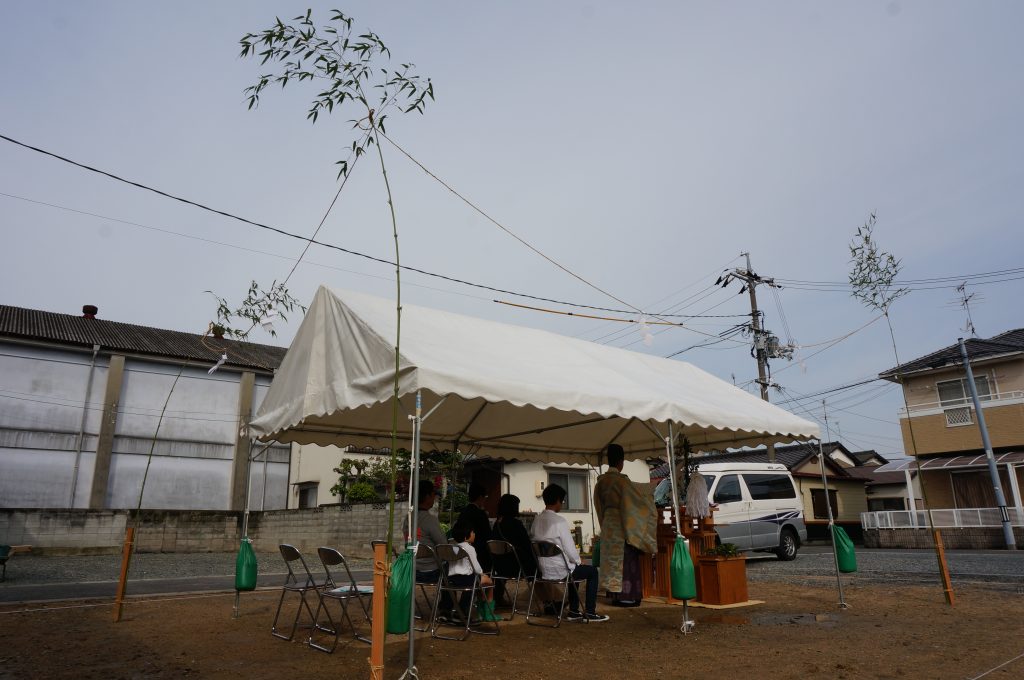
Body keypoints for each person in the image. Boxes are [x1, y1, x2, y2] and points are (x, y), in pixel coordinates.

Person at [529, 483, 609, 622]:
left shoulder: (536, 520)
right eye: (563, 501)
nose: (562, 504)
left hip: (543, 570)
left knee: (573, 567)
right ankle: (589, 612)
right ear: (558, 500)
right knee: (591, 572)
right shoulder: (559, 521)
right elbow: (570, 549)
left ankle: (574, 611)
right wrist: (579, 560)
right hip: (561, 570)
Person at [593, 444, 657, 607]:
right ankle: (626, 596)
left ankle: (614, 595)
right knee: (626, 560)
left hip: (608, 524)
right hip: (621, 525)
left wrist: (604, 523)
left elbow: (598, 507)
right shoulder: (622, 482)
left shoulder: (601, 482)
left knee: (611, 561)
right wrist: (649, 502)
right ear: (621, 461)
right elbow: (633, 505)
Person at [448, 521, 500, 622]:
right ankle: (487, 613)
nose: (474, 534)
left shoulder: (453, 547)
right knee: (489, 582)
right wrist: (483, 574)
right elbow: (477, 569)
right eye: (473, 532)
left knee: (478, 583)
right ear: (466, 536)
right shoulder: (469, 548)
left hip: (452, 580)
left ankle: (477, 610)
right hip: (467, 579)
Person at [492, 493, 537, 606]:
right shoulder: (516, 524)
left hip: (498, 565)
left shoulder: (497, 524)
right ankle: (548, 601)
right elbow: (526, 544)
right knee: (537, 569)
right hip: (515, 567)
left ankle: (498, 598)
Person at [455, 481, 492, 572]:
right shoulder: (480, 514)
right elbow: (487, 535)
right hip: (480, 553)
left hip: (462, 552)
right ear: (480, 497)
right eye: (485, 497)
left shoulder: (463, 511)